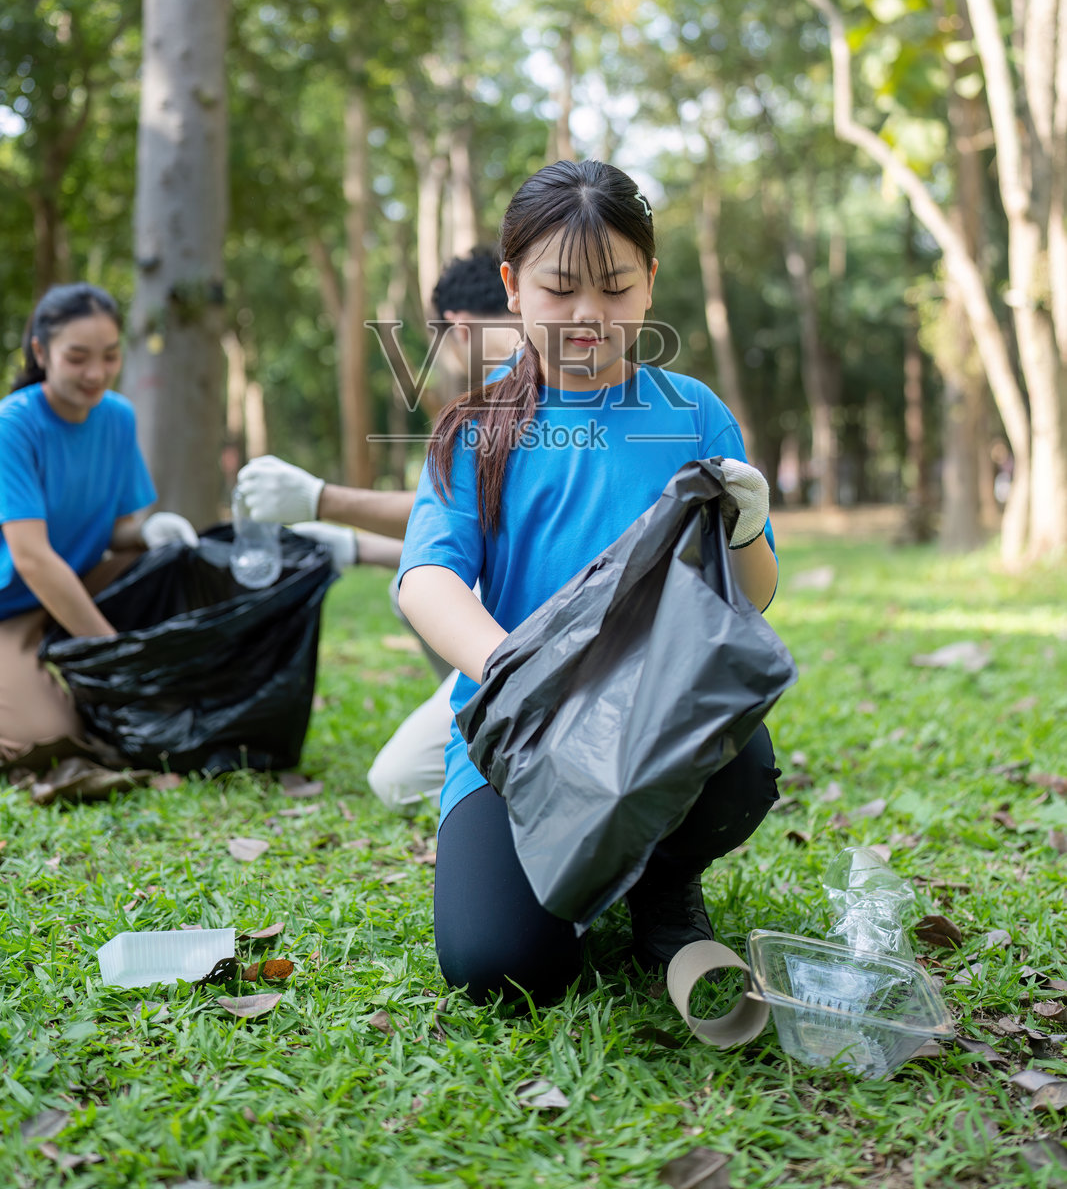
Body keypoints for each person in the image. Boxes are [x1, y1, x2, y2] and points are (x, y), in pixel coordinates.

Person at [397, 159, 781, 1004]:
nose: (587, 316)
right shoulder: (475, 430)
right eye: (559, 288)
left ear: (647, 281)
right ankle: (582, 869)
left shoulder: (692, 415)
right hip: (516, 733)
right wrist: (532, 685)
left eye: (613, 288)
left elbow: (748, 597)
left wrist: (747, 526)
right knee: (501, 970)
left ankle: (660, 878)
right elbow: (426, 579)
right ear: (513, 287)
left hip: (655, 715)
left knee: (742, 763)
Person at [234, 246, 521, 812]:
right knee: (407, 591)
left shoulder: (515, 392)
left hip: (544, 643)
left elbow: (461, 509)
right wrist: (355, 546)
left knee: (398, 780)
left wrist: (322, 499)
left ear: (457, 331)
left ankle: (513, 744)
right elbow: (463, 534)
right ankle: (490, 709)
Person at [0, 284, 198, 766]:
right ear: (42, 352)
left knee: (171, 565)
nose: (97, 373)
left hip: (80, 586)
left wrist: (152, 533)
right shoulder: (13, 425)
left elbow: (116, 533)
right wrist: (113, 651)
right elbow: (32, 558)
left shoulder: (116, 417)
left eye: (110, 356)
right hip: (12, 604)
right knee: (48, 740)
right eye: (78, 358)